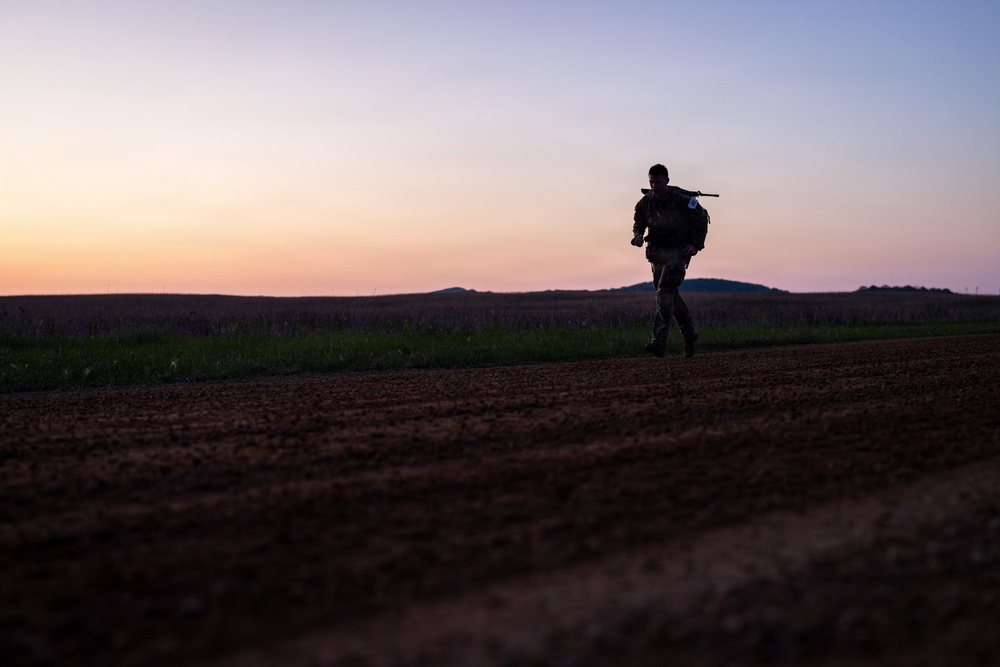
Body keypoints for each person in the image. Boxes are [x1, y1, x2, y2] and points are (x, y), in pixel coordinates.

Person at [630, 164, 710, 358]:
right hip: (657, 255)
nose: (654, 185)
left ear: (667, 180)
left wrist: (695, 245)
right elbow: (638, 224)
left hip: (678, 253)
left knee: (664, 293)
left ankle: (658, 342)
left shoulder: (681, 200)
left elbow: (702, 218)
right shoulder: (645, 203)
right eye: (651, 182)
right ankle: (689, 334)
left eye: (658, 181)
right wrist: (638, 236)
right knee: (669, 295)